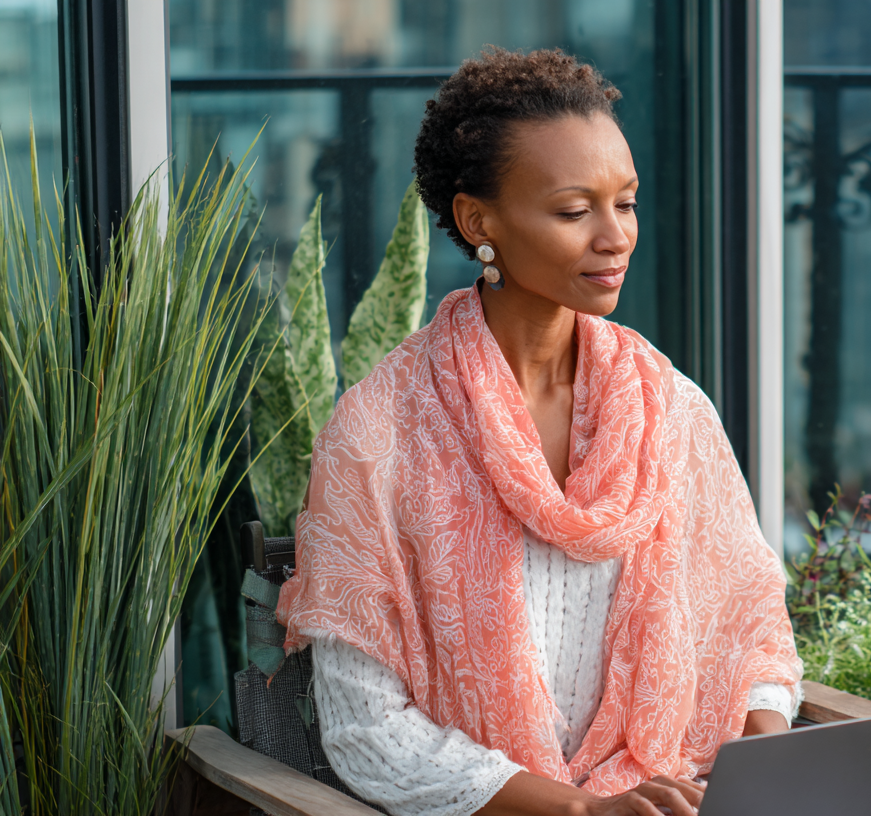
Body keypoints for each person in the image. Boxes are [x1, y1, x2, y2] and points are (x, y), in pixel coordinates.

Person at [275, 47, 803, 816]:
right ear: (476, 220)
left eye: (625, 202)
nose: (615, 236)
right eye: (572, 210)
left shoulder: (671, 409)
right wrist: (578, 810)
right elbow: (368, 733)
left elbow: (753, 635)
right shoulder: (378, 431)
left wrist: (762, 764)